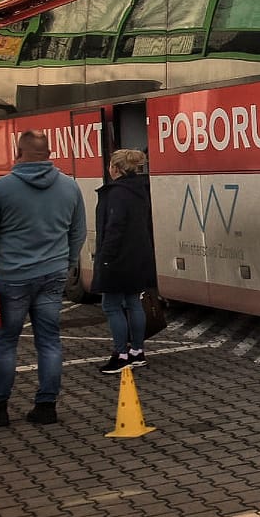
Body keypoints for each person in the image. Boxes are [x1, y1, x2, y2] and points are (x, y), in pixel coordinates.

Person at [0, 130, 86, 427]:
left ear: (18, 153)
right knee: (49, 341)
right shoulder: (69, 187)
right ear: (49, 154)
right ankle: (46, 407)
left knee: (6, 342)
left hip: (14, 279)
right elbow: (78, 232)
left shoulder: (1, 188)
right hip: (53, 276)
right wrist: (69, 263)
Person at [92, 148, 157, 375]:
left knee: (111, 305)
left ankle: (121, 355)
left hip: (118, 259)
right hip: (138, 257)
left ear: (116, 169)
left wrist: (105, 259)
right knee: (133, 303)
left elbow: (114, 229)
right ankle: (137, 352)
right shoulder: (140, 190)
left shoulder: (116, 193)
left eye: (110, 164)